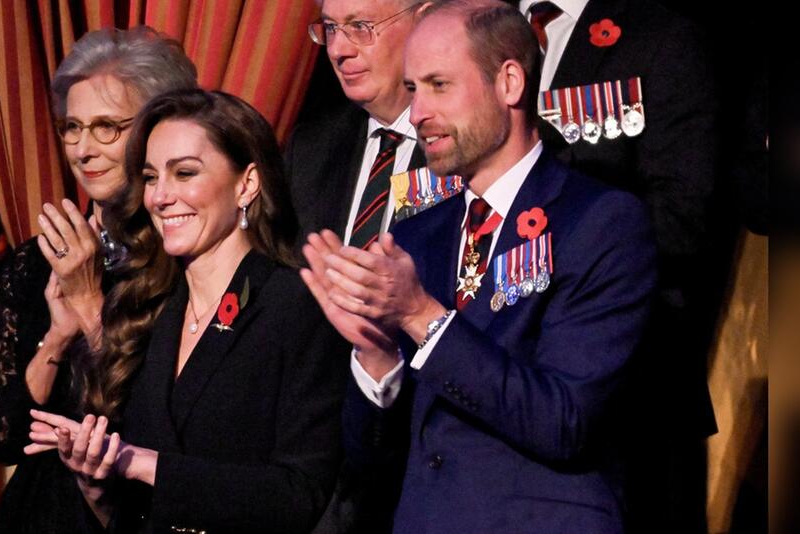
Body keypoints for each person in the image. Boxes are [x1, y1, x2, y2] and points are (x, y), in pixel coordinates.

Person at [301, 1, 657, 531]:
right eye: (414, 88)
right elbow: (373, 462)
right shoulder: (417, 237)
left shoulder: (599, 221)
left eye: (439, 85)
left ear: (509, 82)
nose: (418, 112)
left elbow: (564, 420)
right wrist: (375, 358)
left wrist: (421, 315)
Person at [25, 89, 348, 534]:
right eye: (151, 177)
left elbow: (301, 494)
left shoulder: (296, 304)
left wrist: (141, 463)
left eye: (184, 173)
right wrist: (95, 480)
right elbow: (127, 515)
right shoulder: (146, 309)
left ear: (247, 183)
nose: (160, 196)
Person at [0, 26, 197, 533]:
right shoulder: (38, 261)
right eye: (72, 127)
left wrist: (92, 303)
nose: (83, 149)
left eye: (107, 128)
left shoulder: (187, 259)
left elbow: (158, 427)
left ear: (160, 128)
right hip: (39, 515)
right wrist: (58, 335)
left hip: (133, 517)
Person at [513, 0, 720, 529]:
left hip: (626, 393)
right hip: (493, 396)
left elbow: (681, 218)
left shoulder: (659, 36)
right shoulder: (475, 26)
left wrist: (539, 262)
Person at [286, 0, 431, 247]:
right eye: (331, 28)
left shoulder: (469, 144)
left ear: (424, 23)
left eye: (360, 26)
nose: (336, 50)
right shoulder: (311, 148)